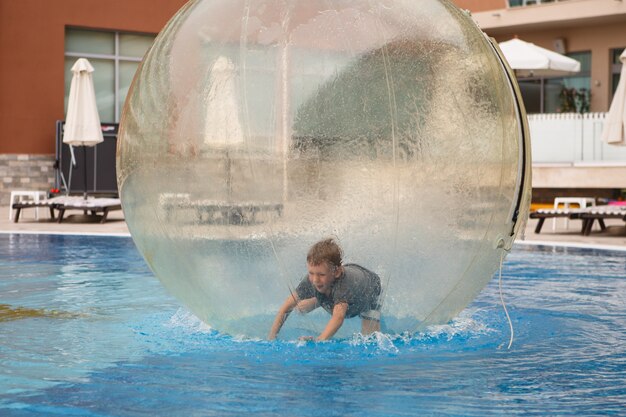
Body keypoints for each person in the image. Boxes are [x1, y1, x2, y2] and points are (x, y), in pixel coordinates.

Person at [268, 238, 382, 341]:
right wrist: (271, 338)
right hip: (341, 281)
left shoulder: (344, 286)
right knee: (301, 306)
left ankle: (317, 301)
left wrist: (319, 340)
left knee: (369, 339)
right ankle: (317, 300)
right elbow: (285, 308)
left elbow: (338, 317)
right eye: (311, 273)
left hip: (370, 289)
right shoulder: (311, 279)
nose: (315, 280)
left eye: (321, 275)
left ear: (336, 272)